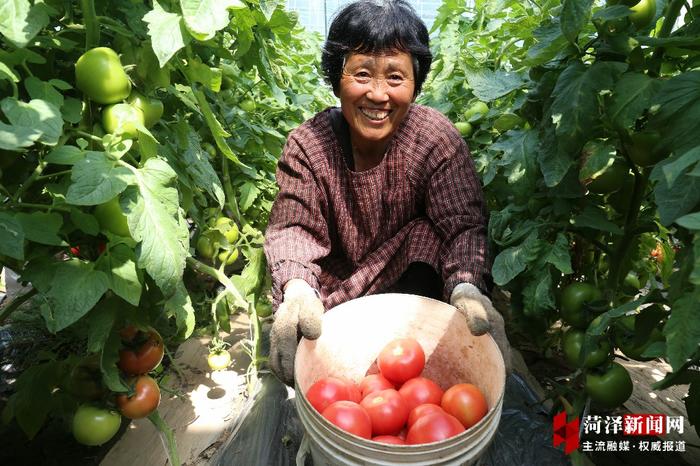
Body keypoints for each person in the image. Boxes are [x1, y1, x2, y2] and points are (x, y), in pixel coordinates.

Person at [263, 0, 510, 386]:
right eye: (362, 73)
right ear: (336, 78)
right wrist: (296, 289)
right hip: (335, 299)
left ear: (415, 85)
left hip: (414, 300)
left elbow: (463, 226)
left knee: (429, 235)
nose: (378, 95)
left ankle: (421, 359)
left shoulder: (434, 140)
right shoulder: (309, 145)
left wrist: (466, 285)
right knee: (308, 334)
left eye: (395, 77)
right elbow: (295, 228)